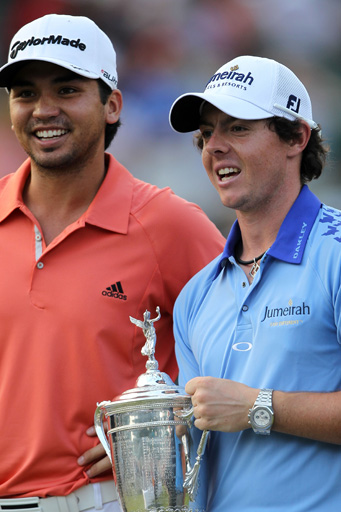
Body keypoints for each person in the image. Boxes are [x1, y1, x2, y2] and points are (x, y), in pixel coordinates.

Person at [0, 13, 225, 512]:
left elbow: (244, 347)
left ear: (112, 105)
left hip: (109, 500)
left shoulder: (168, 223)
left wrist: (172, 425)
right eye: (25, 93)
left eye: (66, 90)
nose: (43, 110)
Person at [169, 55, 341, 511]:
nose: (214, 147)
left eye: (237, 128)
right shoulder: (195, 295)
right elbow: (196, 449)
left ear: (297, 137)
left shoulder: (338, 253)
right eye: (207, 133)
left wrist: (258, 408)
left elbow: (241, 408)